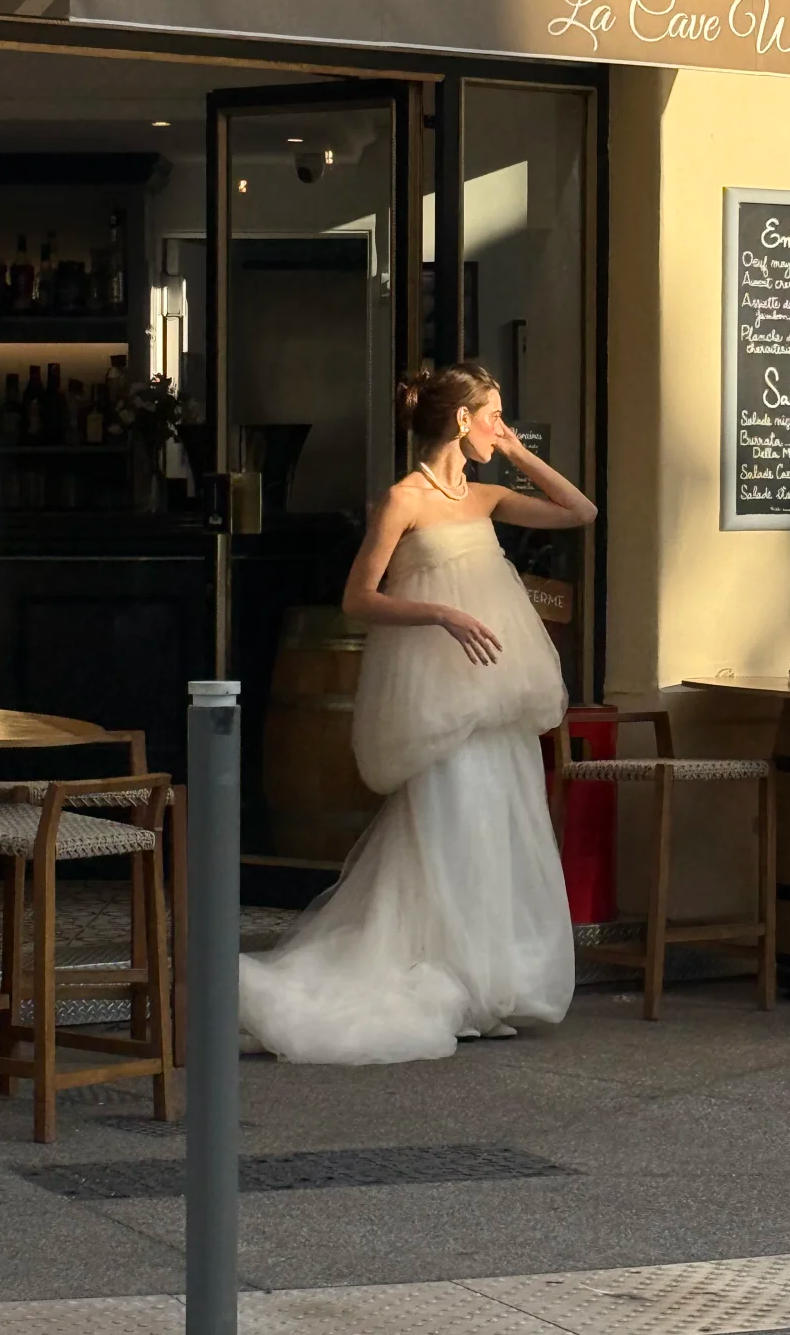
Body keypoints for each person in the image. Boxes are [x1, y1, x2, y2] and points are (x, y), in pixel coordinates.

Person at [239, 362, 598, 1064]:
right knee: (450, 828)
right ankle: (446, 976)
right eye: (494, 414)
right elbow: (358, 599)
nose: (501, 425)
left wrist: (520, 451)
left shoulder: (488, 496)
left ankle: (492, 980)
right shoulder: (403, 500)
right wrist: (437, 611)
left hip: (498, 698)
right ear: (462, 420)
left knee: (500, 831)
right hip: (441, 701)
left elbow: (580, 512)